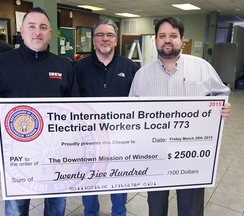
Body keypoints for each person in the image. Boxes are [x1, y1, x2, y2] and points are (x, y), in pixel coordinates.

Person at [0, 7, 78, 216]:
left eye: (43, 27)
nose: (37, 31)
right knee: (17, 207)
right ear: (22, 30)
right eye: (32, 26)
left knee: (56, 203)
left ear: (49, 33)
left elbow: (74, 106)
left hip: (56, 150)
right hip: (17, 151)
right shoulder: (1, 63)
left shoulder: (64, 66)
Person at [129, 17, 232, 216]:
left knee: (190, 208)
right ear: (156, 41)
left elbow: (222, 93)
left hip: (191, 154)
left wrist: (223, 106)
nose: (167, 40)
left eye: (173, 35)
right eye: (162, 36)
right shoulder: (142, 75)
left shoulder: (202, 67)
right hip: (155, 154)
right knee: (156, 207)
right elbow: (132, 113)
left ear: (182, 39)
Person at [73, 19, 139, 215]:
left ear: (116, 40)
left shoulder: (130, 67)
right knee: (90, 182)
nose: (105, 39)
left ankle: (119, 213)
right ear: (93, 41)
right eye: (100, 35)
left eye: (109, 35)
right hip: (89, 139)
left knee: (118, 183)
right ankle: (90, 213)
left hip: (120, 140)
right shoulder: (79, 68)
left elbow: (139, 103)